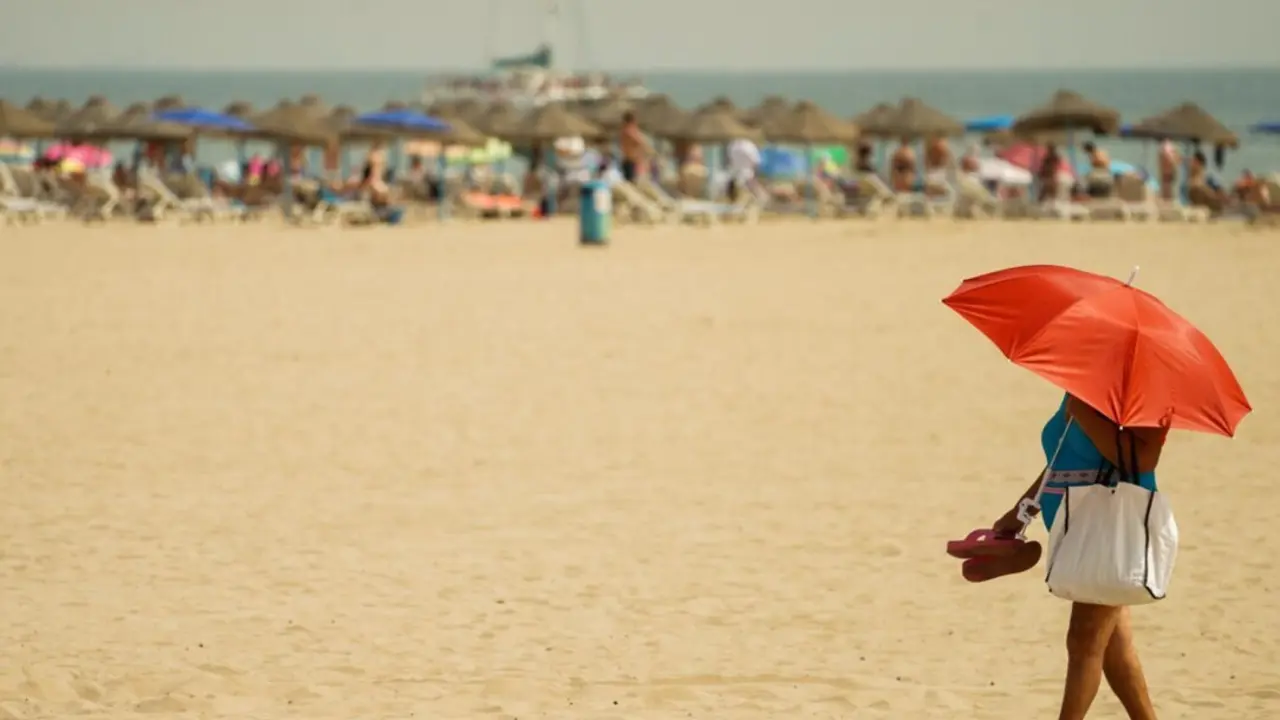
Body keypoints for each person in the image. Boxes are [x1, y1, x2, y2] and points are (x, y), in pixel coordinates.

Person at [982, 394, 1165, 720]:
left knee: (1083, 641)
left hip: (1111, 530)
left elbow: (1143, 459)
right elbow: (1061, 457)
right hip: (1078, 531)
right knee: (1114, 646)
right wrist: (1023, 510)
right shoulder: (1084, 387)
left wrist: (1085, 414)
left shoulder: (1141, 392)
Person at [725, 134, 760, 203]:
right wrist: (755, 177)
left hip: (735, 174)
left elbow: (729, 160)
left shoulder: (732, 145)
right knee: (749, 197)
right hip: (747, 175)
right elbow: (756, 163)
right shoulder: (750, 146)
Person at [618, 111, 648, 183]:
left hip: (629, 160)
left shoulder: (624, 131)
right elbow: (639, 141)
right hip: (631, 160)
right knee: (631, 181)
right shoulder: (629, 131)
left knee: (630, 181)